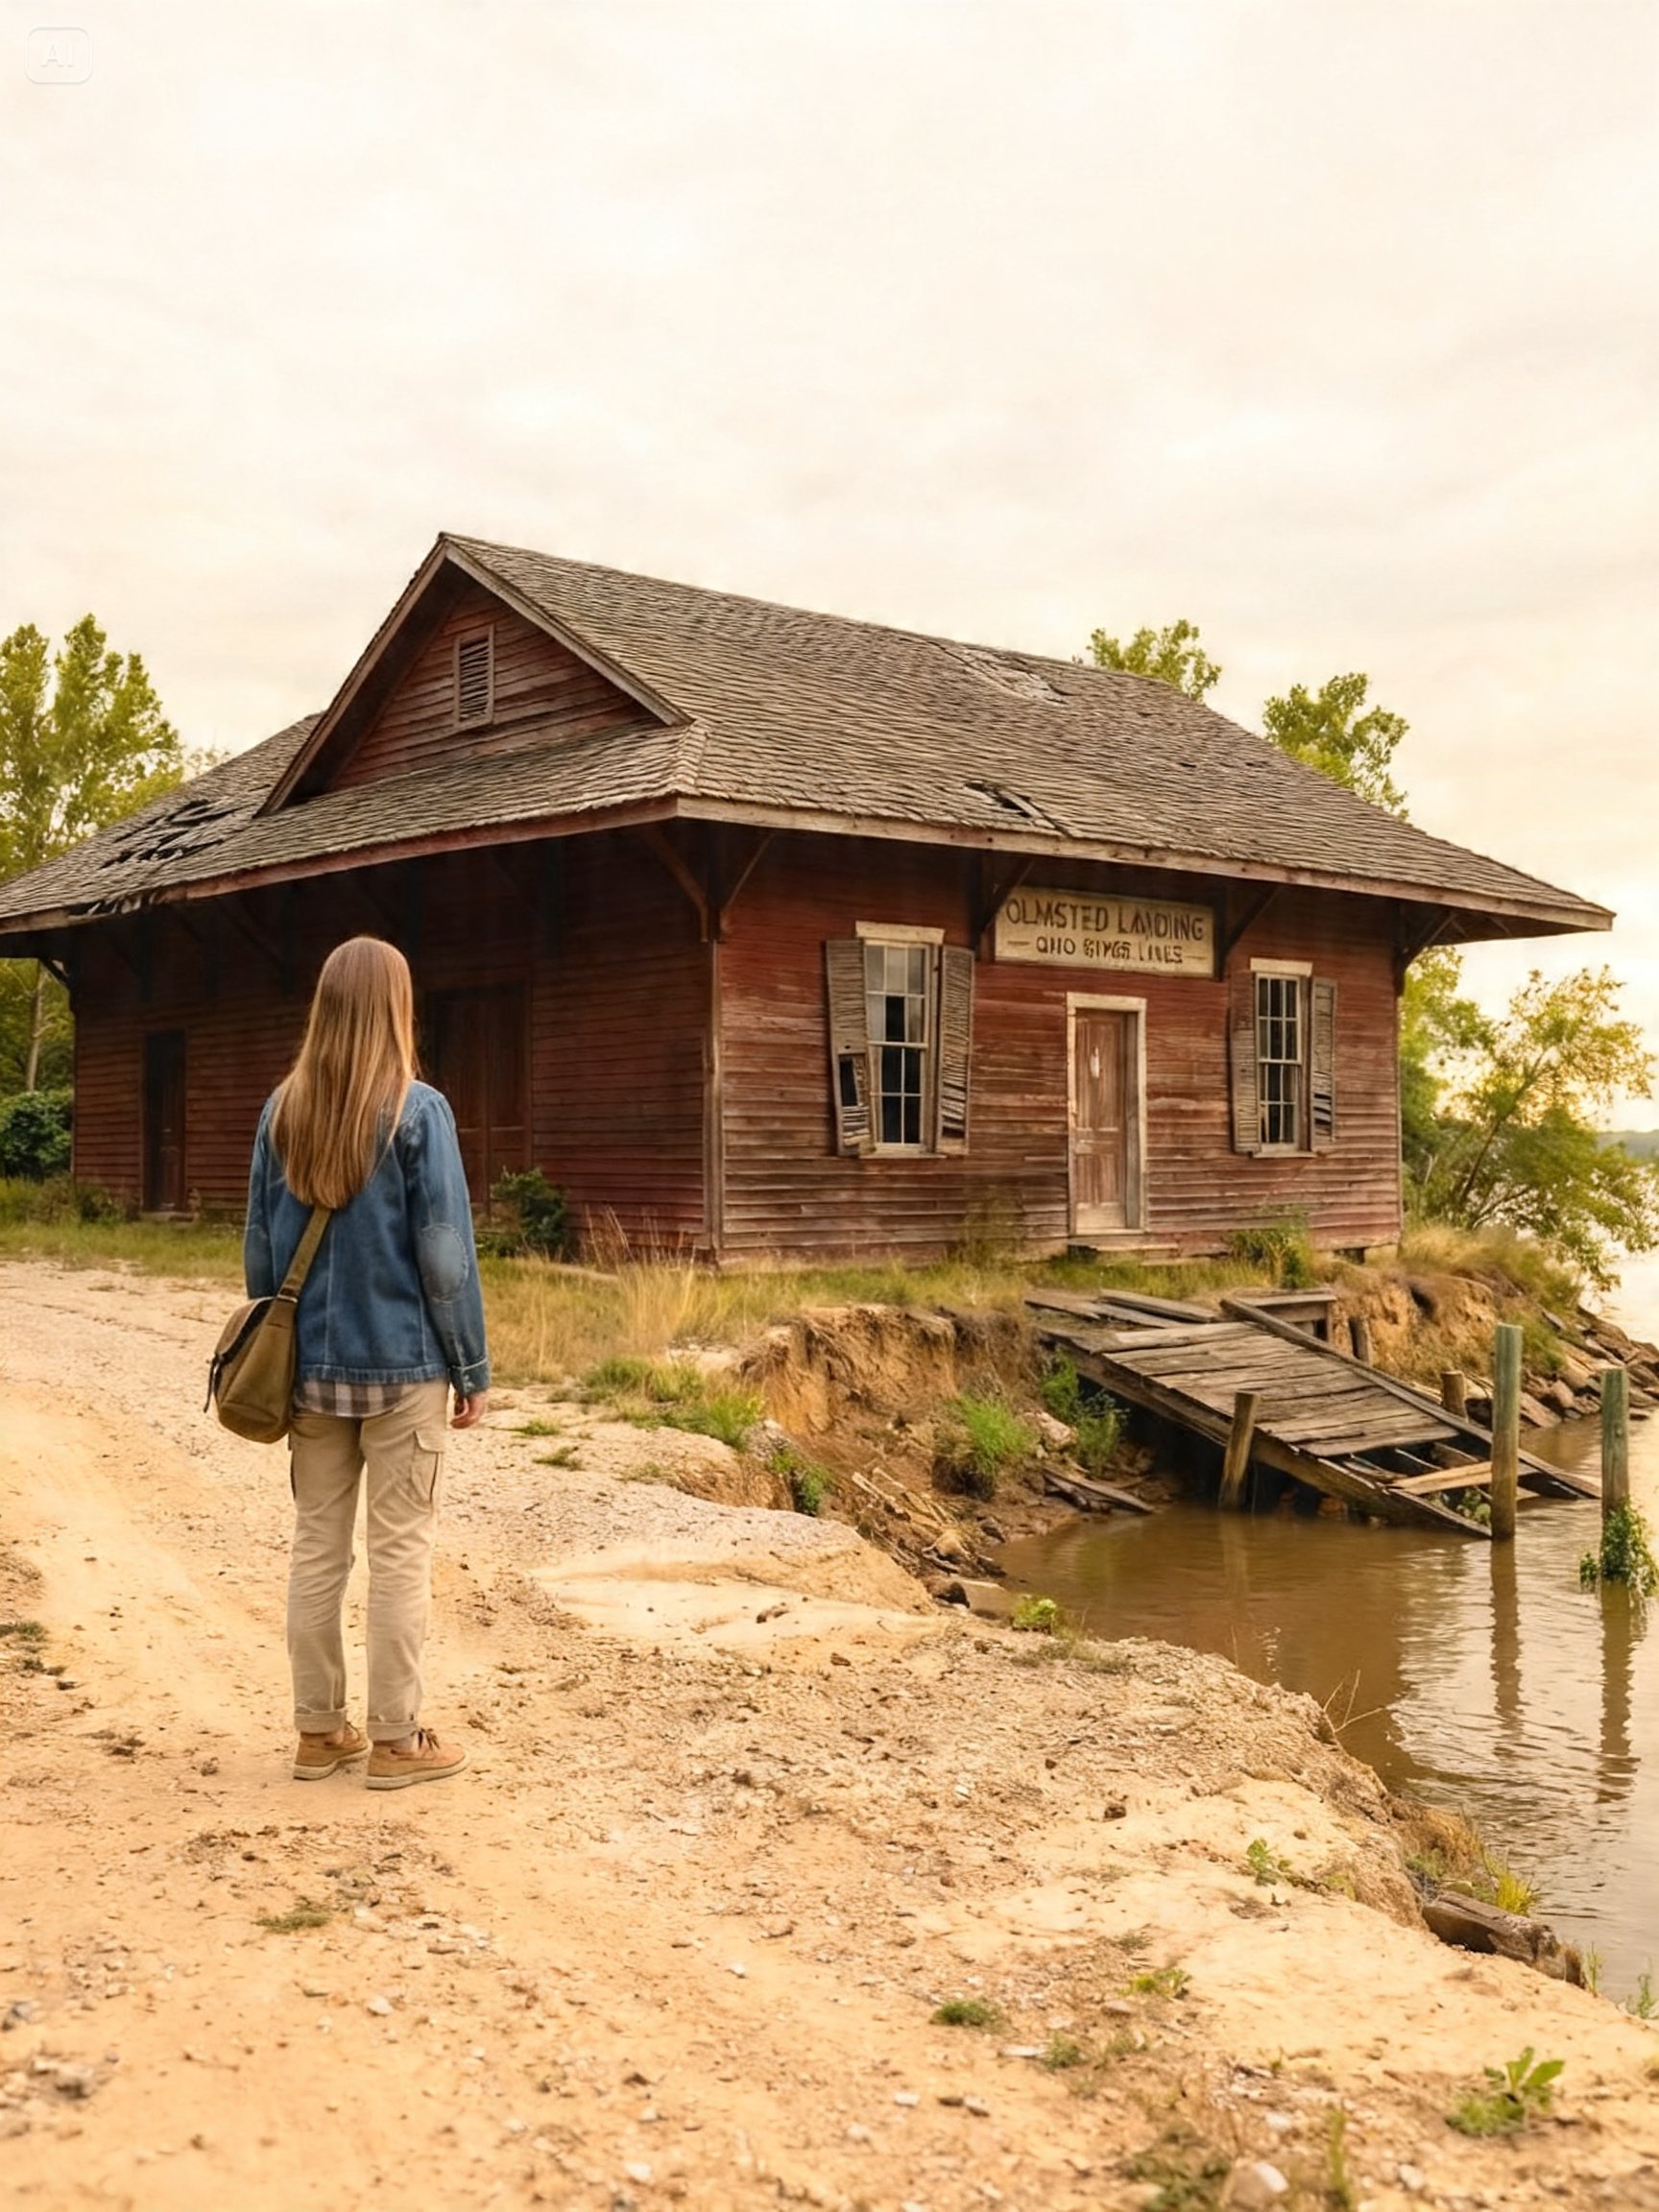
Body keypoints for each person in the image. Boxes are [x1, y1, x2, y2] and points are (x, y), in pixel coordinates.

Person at [244, 935, 490, 1790]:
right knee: (399, 1553)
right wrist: (472, 1365)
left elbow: (259, 1258)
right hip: (404, 1368)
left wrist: (284, 1342)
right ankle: (395, 1742)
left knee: (317, 1548)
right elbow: (444, 1254)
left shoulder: (281, 1110)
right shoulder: (419, 1111)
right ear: (395, 1006)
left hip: (309, 1371)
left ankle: (318, 1733)